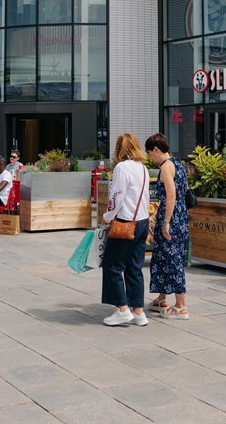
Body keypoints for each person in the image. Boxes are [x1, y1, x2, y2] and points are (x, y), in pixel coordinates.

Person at [101, 133, 150, 327]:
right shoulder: (144, 168)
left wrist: (107, 217)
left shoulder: (122, 168)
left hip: (125, 222)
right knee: (134, 268)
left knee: (112, 265)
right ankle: (138, 312)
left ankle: (122, 309)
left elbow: (116, 197)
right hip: (143, 221)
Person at [145, 133, 189, 319]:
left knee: (172, 259)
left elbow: (170, 196)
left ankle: (181, 306)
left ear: (156, 149)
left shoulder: (165, 167)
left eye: (149, 153)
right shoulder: (178, 163)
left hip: (171, 216)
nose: (149, 157)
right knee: (163, 256)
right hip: (181, 214)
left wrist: (166, 223)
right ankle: (162, 298)